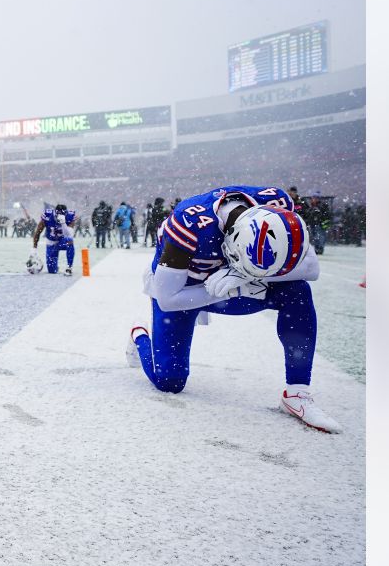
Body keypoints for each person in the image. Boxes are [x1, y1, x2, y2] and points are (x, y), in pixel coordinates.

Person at [126, 185, 339, 432]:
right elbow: (169, 299)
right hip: (186, 290)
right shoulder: (189, 223)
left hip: (234, 286)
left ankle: (297, 393)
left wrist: (241, 276)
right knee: (169, 382)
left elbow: (311, 269)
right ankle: (140, 334)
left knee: (298, 292)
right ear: (231, 248)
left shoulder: (277, 206)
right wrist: (241, 284)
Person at [29, 204, 77, 275]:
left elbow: (68, 235)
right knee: (51, 271)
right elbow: (38, 232)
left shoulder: (70, 216)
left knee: (69, 240)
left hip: (62, 241)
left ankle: (69, 267)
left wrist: (63, 223)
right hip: (51, 242)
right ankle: (55, 267)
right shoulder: (48, 216)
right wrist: (34, 249)